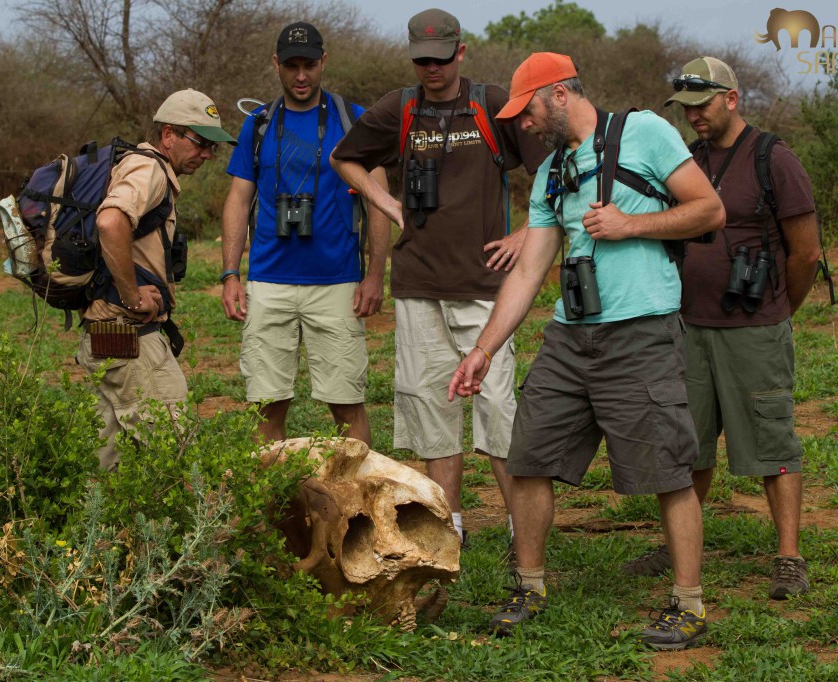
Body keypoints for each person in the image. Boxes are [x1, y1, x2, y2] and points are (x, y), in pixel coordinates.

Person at [449, 52, 726, 649]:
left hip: (642, 331)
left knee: (668, 470)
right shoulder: (551, 172)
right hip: (571, 334)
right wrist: (484, 350)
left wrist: (631, 226)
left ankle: (689, 603)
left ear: (557, 95)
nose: (520, 124)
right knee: (527, 455)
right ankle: (529, 586)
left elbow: (709, 209)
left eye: (525, 111)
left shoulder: (644, 131)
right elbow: (527, 272)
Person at [330, 8, 547, 545]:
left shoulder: (492, 105)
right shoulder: (401, 107)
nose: (432, 68)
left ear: (461, 52)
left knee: (498, 412)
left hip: (484, 287)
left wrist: (527, 233)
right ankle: (448, 528)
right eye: (422, 59)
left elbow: (554, 169)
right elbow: (346, 158)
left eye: (441, 58)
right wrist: (388, 203)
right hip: (419, 285)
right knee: (431, 411)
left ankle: (524, 529)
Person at [622, 57, 820, 601]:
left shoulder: (772, 158)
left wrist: (778, 310)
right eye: (685, 109)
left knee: (771, 437)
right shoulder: (688, 159)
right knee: (689, 443)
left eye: (702, 105)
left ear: (732, 98)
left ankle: (788, 556)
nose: (694, 117)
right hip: (688, 326)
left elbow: (805, 253)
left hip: (755, 328)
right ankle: (677, 545)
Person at [220, 22, 390, 445]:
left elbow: (379, 199)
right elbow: (239, 200)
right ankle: (274, 508)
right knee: (267, 405)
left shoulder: (354, 120)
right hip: (268, 282)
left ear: (323, 63)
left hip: (337, 284)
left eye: (309, 65)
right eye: (291, 65)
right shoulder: (258, 125)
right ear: (276, 65)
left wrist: (375, 274)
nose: (301, 75)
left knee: (347, 405)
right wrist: (230, 274)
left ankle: (355, 506)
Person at [78, 89, 237, 471]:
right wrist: (132, 297)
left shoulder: (143, 167)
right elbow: (110, 220)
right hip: (130, 336)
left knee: (109, 460)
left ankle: (104, 531)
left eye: (213, 147)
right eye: (200, 143)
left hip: (105, 336)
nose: (207, 155)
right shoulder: (148, 169)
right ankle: (172, 532)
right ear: (169, 135)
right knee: (171, 452)